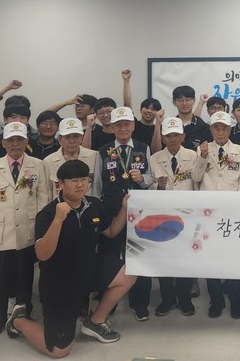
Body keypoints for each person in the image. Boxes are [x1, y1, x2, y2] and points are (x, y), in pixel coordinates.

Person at [6, 160, 137, 357]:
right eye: (74, 180)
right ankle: (18, 320)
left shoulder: (94, 204)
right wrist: (58, 219)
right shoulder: (48, 214)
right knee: (59, 351)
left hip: (88, 268)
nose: (80, 185)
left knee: (130, 272)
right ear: (60, 183)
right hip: (60, 282)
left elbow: (110, 231)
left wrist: (124, 208)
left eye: (84, 179)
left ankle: (96, 322)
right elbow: (42, 254)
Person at [0, 122, 48, 336]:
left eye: (20, 139)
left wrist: (41, 230)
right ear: (4, 143)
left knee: (24, 278)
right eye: (11, 140)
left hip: (27, 232)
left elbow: (42, 198)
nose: (15, 144)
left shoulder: (38, 165)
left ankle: (22, 317)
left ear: (27, 141)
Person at [92, 106, 153, 321]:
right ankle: (107, 303)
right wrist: (98, 213)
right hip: (111, 212)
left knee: (138, 258)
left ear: (133, 126)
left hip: (138, 213)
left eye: (126, 124)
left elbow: (151, 178)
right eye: (118, 125)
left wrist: (142, 179)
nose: (123, 128)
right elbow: (97, 185)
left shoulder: (143, 148)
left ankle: (140, 303)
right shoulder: (103, 150)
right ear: (112, 128)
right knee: (108, 258)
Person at [192, 111, 240, 319]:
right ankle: (216, 301)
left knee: (234, 261)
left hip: (232, 215)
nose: (220, 132)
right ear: (211, 130)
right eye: (216, 128)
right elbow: (196, 177)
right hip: (209, 215)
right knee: (211, 261)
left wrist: (234, 205)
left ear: (230, 129)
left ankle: (236, 302)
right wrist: (203, 157)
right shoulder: (202, 149)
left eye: (224, 128)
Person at [149, 117, 199, 316]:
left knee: (185, 259)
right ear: (162, 138)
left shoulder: (193, 156)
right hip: (163, 217)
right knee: (165, 259)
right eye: (168, 136)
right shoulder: (154, 158)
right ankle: (167, 299)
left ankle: (185, 298)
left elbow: (197, 182)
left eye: (176, 135)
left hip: (187, 215)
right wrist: (159, 186)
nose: (172, 139)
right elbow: (149, 187)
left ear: (183, 136)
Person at [44, 118, 98, 201]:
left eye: (76, 136)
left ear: (81, 138)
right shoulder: (48, 161)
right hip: (59, 207)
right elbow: (47, 192)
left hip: (88, 206)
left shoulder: (94, 157)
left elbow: (98, 187)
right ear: (59, 139)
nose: (72, 141)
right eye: (67, 137)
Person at [172, 86, 212, 151]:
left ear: (194, 101)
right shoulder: (170, 126)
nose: (184, 103)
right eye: (180, 100)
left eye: (188, 100)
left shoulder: (204, 128)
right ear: (174, 102)